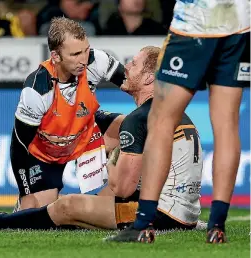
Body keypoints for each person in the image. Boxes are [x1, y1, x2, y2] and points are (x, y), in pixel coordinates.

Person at [0, 46, 205, 233]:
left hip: (160, 217)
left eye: (133, 63)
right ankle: (7, 219)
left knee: (68, 205)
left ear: (148, 77)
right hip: (181, 215)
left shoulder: (138, 120)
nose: (127, 67)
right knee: (89, 205)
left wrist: (109, 158)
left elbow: (122, 187)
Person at [107, 0, 250, 244]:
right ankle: (217, 227)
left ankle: (142, 224)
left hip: (196, 17)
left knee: (161, 120)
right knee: (227, 125)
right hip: (239, 18)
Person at [6, 16, 125, 211]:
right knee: (38, 214)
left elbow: (133, 85)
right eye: (75, 54)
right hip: (46, 153)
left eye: (86, 50)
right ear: (56, 56)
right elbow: (19, 145)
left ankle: (128, 203)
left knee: (134, 128)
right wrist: (25, 194)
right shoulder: (37, 90)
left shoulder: (97, 61)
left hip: (86, 134)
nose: (84, 59)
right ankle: (29, 206)